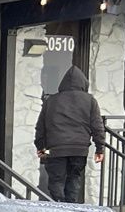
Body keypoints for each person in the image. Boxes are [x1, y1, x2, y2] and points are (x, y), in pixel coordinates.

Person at [34, 65, 105, 204]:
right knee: (74, 179)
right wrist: (99, 148)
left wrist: (41, 148)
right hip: (79, 149)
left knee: (56, 180)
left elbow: (40, 127)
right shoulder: (90, 101)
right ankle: (70, 207)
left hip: (54, 149)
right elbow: (97, 126)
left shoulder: (51, 101)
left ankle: (59, 204)